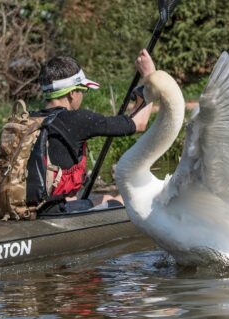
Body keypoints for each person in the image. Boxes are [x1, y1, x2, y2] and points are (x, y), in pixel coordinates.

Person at [34, 49, 155, 214]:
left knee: (101, 199)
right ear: (71, 94)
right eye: (82, 90)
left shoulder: (30, 119)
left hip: (25, 210)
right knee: (127, 198)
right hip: (51, 215)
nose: (82, 95)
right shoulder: (77, 120)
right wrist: (150, 77)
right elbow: (139, 123)